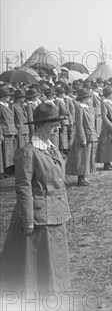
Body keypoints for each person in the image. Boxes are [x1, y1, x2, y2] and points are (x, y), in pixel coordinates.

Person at [0, 103, 71, 295]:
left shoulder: (52, 148)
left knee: (55, 255)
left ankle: (55, 291)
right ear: (39, 126)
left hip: (57, 211)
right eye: (53, 124)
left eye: (58, 123)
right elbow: (23, 188)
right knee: (39, 258)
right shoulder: (28, 152)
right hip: (40, 215)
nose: (58, 127)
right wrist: (28, 218)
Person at [66, 89, 97, 186]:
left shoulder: (87, 108)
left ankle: (83, 177)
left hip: (89, 135)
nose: (90, 99)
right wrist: (82, 139)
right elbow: (79, 125)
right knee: (81, 158)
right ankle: (80, 179)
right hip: (83, 137)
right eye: (88, 97)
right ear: (84, 98)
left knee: (86, 158)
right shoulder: (79, 108)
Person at [95, 86, 112, 170]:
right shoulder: (104, 103)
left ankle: (109, 161)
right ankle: (106, 163)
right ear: (109, 94)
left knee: (111, 145)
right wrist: (111, 126)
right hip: (107, 127)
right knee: (107, 144)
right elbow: (104, 116)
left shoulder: (111, 102)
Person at [0, 86, 17, 174]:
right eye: (8, 96)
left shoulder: (7, 106)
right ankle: (6, 169)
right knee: (6, 152)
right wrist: (1, 134)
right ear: (3, 97)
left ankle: (9, 168)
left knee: (10, 151)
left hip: (10, 130)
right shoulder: (1, 107)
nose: (9, 97)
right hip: (5, 131)